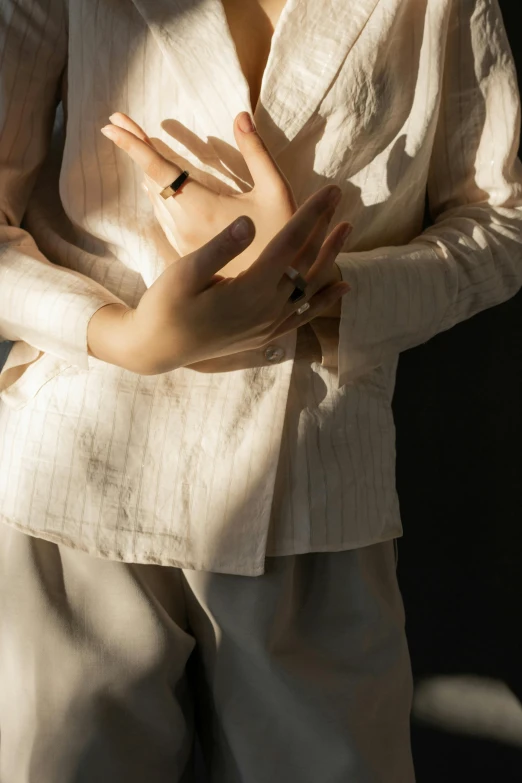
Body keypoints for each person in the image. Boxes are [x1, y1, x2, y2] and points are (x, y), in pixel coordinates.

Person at [0, 0, 521, 781]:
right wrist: (125, 335)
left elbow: (503, 216)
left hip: (315, 490)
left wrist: (327, 289)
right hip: (80, 481)